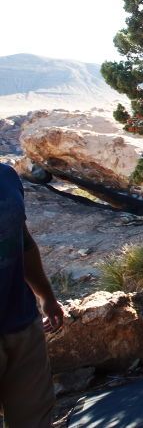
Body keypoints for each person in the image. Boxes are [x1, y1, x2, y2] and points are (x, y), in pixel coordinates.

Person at [1, 163, 64, 427]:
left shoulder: (5, 176)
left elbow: (22, 241)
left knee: (35, 418)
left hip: (22, 325)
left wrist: (46, 297)